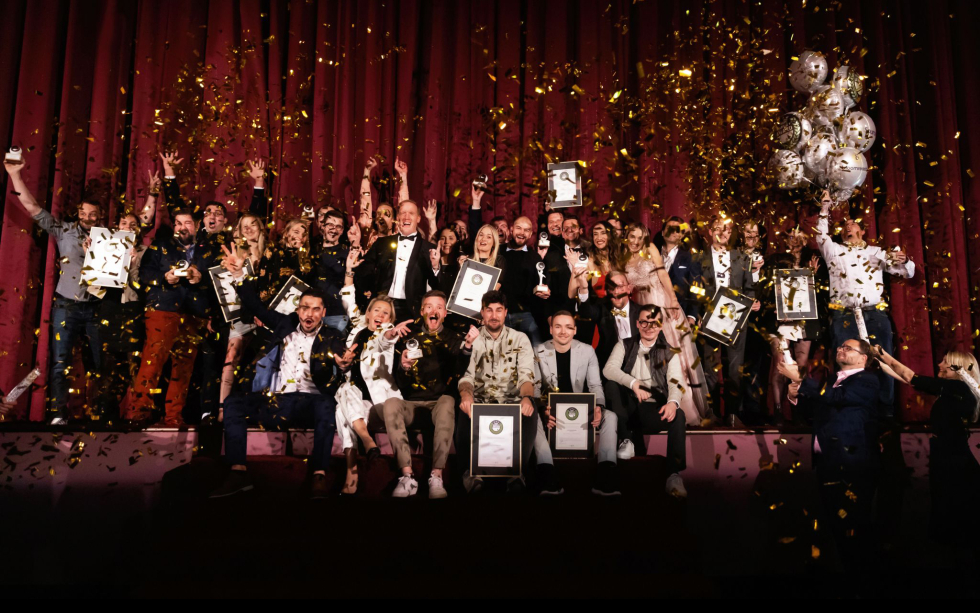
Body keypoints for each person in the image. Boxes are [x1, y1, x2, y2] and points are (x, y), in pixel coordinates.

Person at [209, 277, 347, 500]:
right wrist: (239, 279)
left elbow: (343, 362)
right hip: (278, 401)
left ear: (323, 312)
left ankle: (319, 475)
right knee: (233, 402)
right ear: (298, 309)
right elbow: (256, 307)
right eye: (304, 308)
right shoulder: (284, 324)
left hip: (310, 405)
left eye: (315, 309)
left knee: (326, 403)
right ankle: (238, 473)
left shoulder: (333, 336)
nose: (308, 314)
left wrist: (343, 365)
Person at [4, 157, 103, 425]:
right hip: (66, 305)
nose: (87, 217)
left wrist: (98, 251)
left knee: (98, 364)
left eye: (93, 214)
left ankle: (99, 415)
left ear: (99, 216)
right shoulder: (64, 231)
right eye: (83, 212)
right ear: (78, 213)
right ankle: (59, 414)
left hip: (95, 307)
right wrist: (15, 175)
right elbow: (32, 207)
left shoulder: (109, 238)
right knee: (60, 362)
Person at [778, 339, 880, 568]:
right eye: (841, 347)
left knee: (854, 525)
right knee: (833, 524)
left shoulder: (868, 380)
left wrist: (802, 378)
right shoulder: (832, 380)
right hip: (827, 463)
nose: (841, 350)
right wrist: (796, 395)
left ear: (864, 358)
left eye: (848, 348)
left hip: (851, 464)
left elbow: (838, 399)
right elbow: (817, 412)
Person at [815, 190, 914, 416]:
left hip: (875, 314)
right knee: (844, 358)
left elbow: (906, 272)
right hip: (845, 315)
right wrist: (824, 209)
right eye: (844, 226)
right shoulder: (834, 251)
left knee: (883, 358)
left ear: (861, 230)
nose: (848, 227)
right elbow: (821, 236)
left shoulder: (876, 251)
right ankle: (846, 407)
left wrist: (906, 260)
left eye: (852, 224)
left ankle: (885, 410)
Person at [874, 347, 980, 548]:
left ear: (957, 368)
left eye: (944, 362)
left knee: (955, 511)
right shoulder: (952, 389)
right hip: (947, 455)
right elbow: (906, 378)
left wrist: (881, 353)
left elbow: (910, 376)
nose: (939, 364)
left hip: (953, 460)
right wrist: (879, 363)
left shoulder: (957, 388)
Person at [457, 291, 560, 494]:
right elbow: (466, 376)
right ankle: (470, 474)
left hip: (511, 401)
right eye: (489, 311)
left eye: (498, 310)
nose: (494, 316)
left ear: (505, 313)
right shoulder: (472, 339)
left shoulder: (520, 338)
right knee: (461, 406)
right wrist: (466, 395)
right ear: (482, 313)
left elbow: (525, 375)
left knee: (529, 410)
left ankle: (516, 474)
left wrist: (527, 397)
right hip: (481, 401)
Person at [383, 290, 477, 498]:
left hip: (439, 404)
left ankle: (436, 475)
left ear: (445, 313)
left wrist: (468, 346)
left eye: (439, 307)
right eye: (429, 307)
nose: (433, 311)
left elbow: (460, 372)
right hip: (411, 403)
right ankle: (407, 476)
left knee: (447, 401)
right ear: (422, 311)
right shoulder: (408, 336)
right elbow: (399, 383)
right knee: (390, 404)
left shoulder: (454, 338)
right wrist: (404, 367)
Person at [336, 249, 413, 494]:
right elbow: (348, 300)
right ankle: (361, 452)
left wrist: (390, 334)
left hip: (379, 403)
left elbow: (384, 341)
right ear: (367, 313)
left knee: (342, 405)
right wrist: (349, 271)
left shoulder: (386, 332)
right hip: (358, 400)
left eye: (386, 313)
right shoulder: (358, 326)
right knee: (345, 392)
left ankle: (352, 468)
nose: (380, 315)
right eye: (376, 310)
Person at [123, 208, 209, 426]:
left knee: (184, 367)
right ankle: (140, 412)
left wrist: (201, 277)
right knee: (152, 361)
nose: (182, 227)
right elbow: (144, 274)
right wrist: (164, 277)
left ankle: (173, 416)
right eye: (178, 223)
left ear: (196, 226)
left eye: (187, 223)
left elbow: (218, 278)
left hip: (193, 313)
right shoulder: (161, 245)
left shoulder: (208, 249)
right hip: (162, 309)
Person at [622, 223, 710, 426]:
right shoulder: (622, 255)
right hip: (639, 306)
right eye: (632, 237)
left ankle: (685, 409)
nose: (635, 242)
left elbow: (663, 275)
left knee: (674, 356)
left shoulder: (650, 248)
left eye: (639, 238)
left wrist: (672, 299)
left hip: (660, 303)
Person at [601, 305, 688, 498]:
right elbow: (608, 370)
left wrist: (673, 402)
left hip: (652, 409)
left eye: (654, 322)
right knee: (612, 386)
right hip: (627, 407)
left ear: (660, 325)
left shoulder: (670, 351)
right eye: (644, 322)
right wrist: (633, 383)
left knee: (679, 414)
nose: (649, 326)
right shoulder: (624, 344)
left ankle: (673, 474)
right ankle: (626, 440)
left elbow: (677, 383)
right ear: (637, 324)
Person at [92, 178, 159, 423]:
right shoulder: (105, 247)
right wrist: (93, 258)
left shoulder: (143, 252)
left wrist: (132, 266)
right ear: (117, 225)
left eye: (133, 224)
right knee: (109, 365)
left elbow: (143, 288)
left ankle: (137, 414)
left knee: (134, 362)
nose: (129, 226)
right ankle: (106, 416)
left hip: (133, 309)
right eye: (124, 223)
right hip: (109, 308)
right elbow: (93, 287)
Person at [534, 312, 613, 495]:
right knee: (532, 416)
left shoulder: (587, 351)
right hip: (550, 410)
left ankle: (607, 475)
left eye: (568, 327)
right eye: (558, 326)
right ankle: (546, 473)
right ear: (551, 329)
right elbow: (536, 388)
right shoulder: (538, 350)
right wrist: (541, 409)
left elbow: (595, 385)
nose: (563, 332)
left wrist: (599, 407)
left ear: (575, 330)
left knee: (611, 417)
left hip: (580, 409)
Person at [694, 215, 760, 425]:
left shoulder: (742, 257)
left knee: (734, 369)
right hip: (710, 317)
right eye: (718, 229)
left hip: (736, 317)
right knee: (710, 368)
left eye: (727, 230)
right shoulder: (699, 258)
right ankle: (712, 412)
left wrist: (752, 301)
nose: (723, 233)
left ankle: (733, 413)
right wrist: (700, 311)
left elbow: (749, 287)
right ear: (710, 231)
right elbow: (693, 289)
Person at [760, 227, 825, 421]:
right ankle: (779, 410)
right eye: (790, 236)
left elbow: (820, 294)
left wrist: (813, 276)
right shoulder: (774, 260)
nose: (794, 240)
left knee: (800, 366)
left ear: (805, 241)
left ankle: (799, 410)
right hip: (780, 322)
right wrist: (777, 308)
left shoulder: (814, 260)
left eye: (798, 237)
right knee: (780, 365)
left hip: (805, 321)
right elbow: (766, 289)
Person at [354, 199, 441, 320]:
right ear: (398, 217)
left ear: (418, 218)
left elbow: (437, 286)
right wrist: (367, 294)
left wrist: (436, 267)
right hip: (383, 306)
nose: (406, 217)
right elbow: (362, 272)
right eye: (403, 213)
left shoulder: (429, 249)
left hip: (412, 310)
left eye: (411, 213)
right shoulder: (382, 243)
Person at [502, 216, 550, 347]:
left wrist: (545, 291)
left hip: (525, 315)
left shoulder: (535, 257)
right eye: (518, 228)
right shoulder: (497, 252)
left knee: (538, 353)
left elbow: (542, 283)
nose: (522, 233)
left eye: (526, 230)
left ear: (530, 234)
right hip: (500, 314)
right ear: (511, 230)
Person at [311, 208, 351, 333]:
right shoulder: (310, 249)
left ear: (343, 230)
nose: (334, 229)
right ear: (322, 226)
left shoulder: (348, 253)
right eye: (330, 225)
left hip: (336, 314)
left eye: (339, 226)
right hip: (311, 312)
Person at [657, 216, 701, 324]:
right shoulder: (653, 256)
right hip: (655, 313)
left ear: (681, 235)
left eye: (676, 229)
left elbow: (695, 288)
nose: (672, 231)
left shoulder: (691, 258)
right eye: (669, 228)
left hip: (679, 315)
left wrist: (692, 316)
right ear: (663, 232)